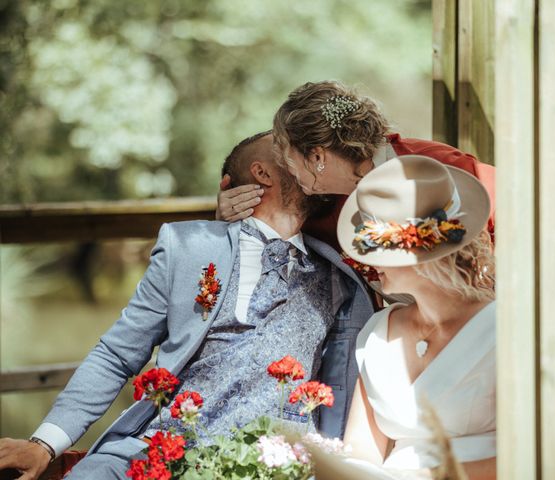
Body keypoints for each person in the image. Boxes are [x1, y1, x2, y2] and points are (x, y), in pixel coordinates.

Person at [0, 132, 374, 480]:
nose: (310, 159)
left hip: (269, 463)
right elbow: (116, 355)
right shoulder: (189, 246)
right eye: (292, 151)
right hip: (153, 450)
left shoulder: (342, 277)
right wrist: (43, 444)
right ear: (262, 173)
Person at [339, 155, 496, 479]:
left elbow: (531, 454)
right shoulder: (378, 332)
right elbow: (360, 448)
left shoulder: (506, 331)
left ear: (425, 258)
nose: (368, 260)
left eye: (378, 249)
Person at [216, 80, 495, 250]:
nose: (285, 167)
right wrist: (224, 223)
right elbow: (275, 235)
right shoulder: (321, 210)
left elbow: (522, 215)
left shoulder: (442, 166)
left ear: (317, 157)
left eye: (286, 156)